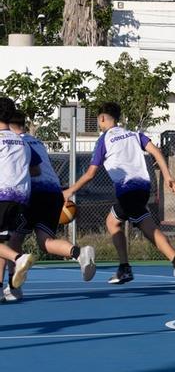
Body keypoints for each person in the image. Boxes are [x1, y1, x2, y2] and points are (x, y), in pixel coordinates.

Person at [63, 102, 175, 289]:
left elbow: (91, 173)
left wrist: (70, 190)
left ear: (102, 118)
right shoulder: (134, 134)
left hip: (127, 190)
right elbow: (156, 151)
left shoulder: (104, 139)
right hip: (142, 187)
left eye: (98, 121)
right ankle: (124, 267)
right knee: (112, 221)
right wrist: (167, 175)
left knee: (148, 228)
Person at [0, 111, 96, 301]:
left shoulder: (12, 142)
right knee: (45, 241)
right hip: (54, 193)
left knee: (10, 241)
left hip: (32, 194)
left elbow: (28, 172)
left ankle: (13, 287)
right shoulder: (35, 142)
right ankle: (78, 252)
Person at [0, 98, 36, 292]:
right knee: (2, 241)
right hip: (21, 198)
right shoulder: (23, 143)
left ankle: (18, 258)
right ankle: (7, 287)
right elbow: (34, 169)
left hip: (2, 195)